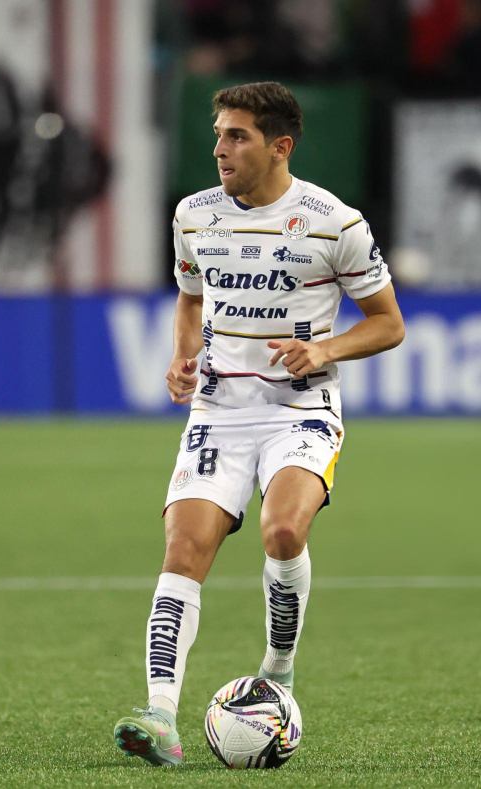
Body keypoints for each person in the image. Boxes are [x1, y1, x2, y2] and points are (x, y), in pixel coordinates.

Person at [113, 81, 405, 767]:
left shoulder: (335, 223)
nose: (219, 149)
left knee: (283, 529)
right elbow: (191, 297)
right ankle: (160, 717)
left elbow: (389, 323)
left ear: (280, 146)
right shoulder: (193, 215)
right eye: (218, 134)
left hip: (299, 411)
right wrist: (182, 357)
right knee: (183, 549)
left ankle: (278, 669)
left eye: (237, 136)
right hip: (219, 412)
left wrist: (325, 350)